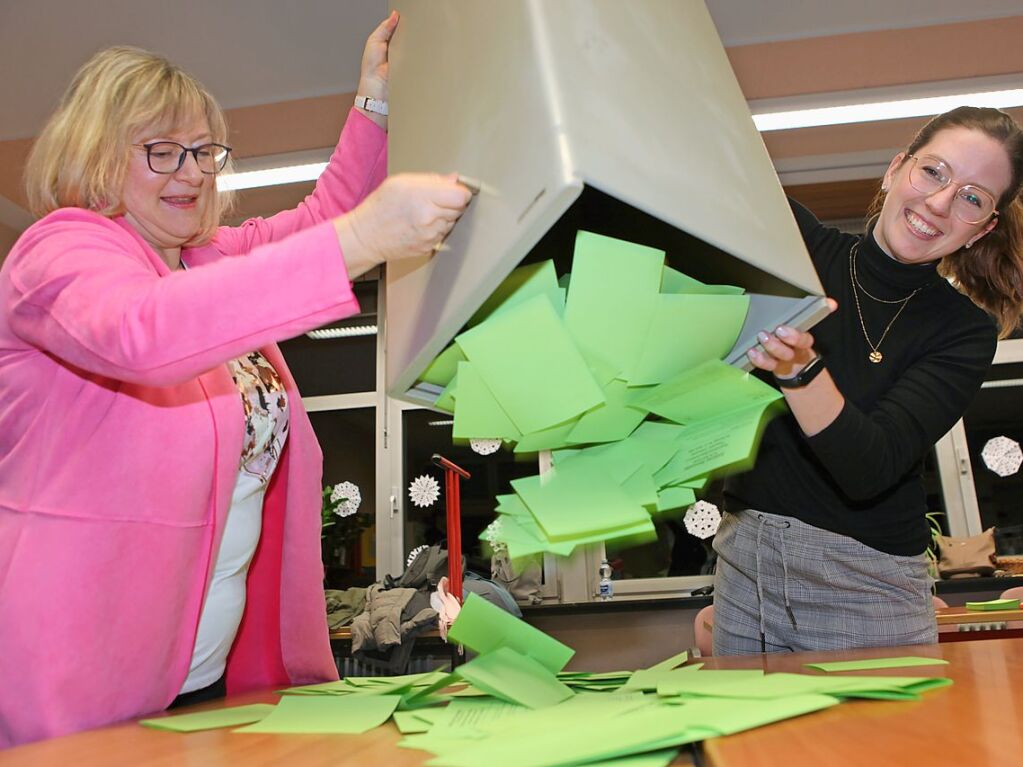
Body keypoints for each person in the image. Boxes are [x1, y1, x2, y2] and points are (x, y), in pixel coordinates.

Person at [0, 13, 472, 746]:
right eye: (161, 152)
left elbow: (326, 217)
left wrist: (375, 101)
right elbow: (142, 331)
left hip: (202, 674)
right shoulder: (57, 252)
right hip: (78, 678)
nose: (191, 172)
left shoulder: (205, 257)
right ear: (94, 155)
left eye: (202, 151)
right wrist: (362, 239)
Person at [714, 106, 1023, 655]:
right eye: (933, 172)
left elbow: (869, 469)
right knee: (753, 745)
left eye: (973, 197)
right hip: (748, 568)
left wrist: (799, 371)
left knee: (881, 746)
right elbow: (680, 179)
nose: (939, 202)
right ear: (894, 169)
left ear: (985, 227)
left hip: (867, 586)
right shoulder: (795, 243)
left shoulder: (963, 331)